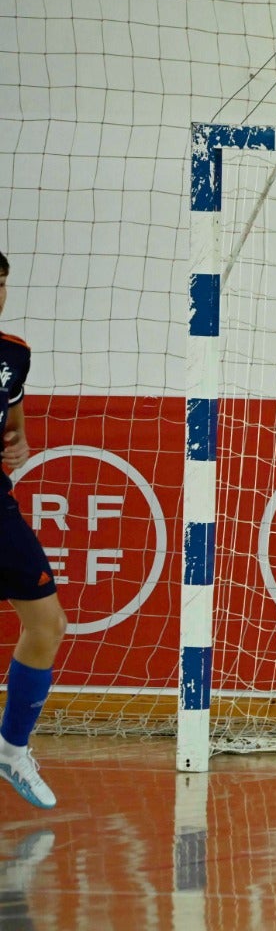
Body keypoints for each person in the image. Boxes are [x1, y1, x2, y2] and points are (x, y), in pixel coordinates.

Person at [0, 252, 66, 810]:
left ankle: (11, 749)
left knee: (47, 623)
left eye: (1, 283)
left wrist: (18, 443)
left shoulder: (13, 354)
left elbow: (14, 427)